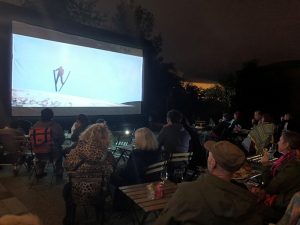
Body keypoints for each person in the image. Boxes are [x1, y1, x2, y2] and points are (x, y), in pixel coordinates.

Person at [154, 140, 264, 225]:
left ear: (212, 163)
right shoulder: (246, 200)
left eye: (209, 156)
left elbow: (163, 222)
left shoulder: (186, 192)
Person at [63, 123, 115, 225]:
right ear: (105, 137)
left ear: (87, 134)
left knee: (66, 189)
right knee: (107, 187)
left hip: (76, 191)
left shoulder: (77, 150)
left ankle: (70, 218)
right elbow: (109, 172)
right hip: (98, 193)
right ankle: (100, 217)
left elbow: (67, 166)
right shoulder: (107, 154)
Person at [252, 130, 300, 222]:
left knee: (248, 206)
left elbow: (271, 188)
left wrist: (265, 165)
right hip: (281, 200)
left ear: (286, 144)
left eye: (280, 140)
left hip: (281, 208)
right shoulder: (288, 159)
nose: (277, 142)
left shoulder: (294, 165)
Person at [32, 108, 65, 177]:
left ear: (41, 115)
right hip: (53, 153)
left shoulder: (34, 126)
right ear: (52, 116)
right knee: (60, 150)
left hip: (38, 153)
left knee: (42, 150)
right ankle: (59, 170)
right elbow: (62, 139)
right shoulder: (56, 126)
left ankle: (40, 170)